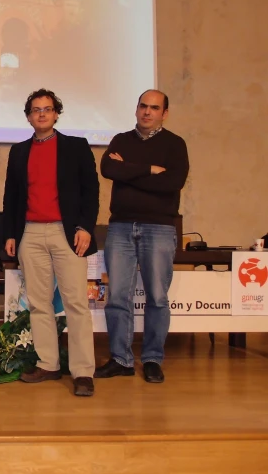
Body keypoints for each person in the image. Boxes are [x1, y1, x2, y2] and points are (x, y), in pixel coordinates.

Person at [2, 88, 99, 397]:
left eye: (47, 109)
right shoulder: (18, 151)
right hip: (30, 233)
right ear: (28, 116)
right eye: (35, 110)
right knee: (39, 303)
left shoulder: (76, 147)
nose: (41, 114)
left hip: (67, 234)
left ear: (57, 113)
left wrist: (85, 227)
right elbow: (12, 197)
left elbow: (91, 191)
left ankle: (83, 372)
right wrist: (10, 233)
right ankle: (48, 363)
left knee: (76, 304)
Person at [95, 89, 189, 384]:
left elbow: (173, 182)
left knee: (158, 298)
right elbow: (108, 168)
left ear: (165, 113)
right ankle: (121, 359)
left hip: (159, 228)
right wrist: (149, 170)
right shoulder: (121, 140)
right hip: (121, 227)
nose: (147, 112)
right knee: (118, 296)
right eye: (143, 106)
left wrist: (129, 172)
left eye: (154, 107)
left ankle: (151, 358)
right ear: (136, 109)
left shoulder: (175, 144)